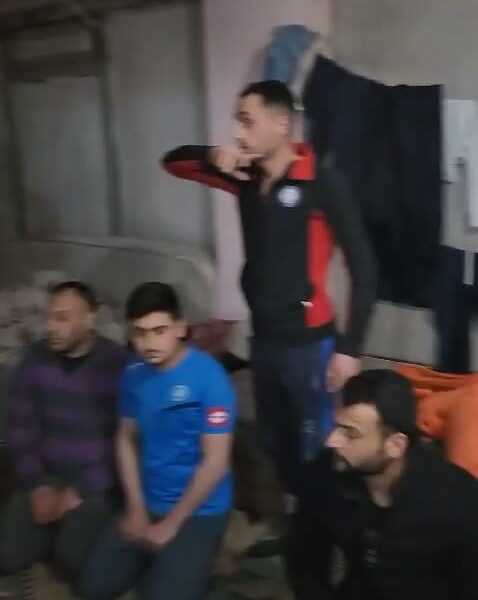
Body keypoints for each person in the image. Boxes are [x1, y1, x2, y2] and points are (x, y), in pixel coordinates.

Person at [163, 79, 376, 494]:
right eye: (236, 122)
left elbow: (364, 270)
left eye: (247, 121)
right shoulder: (244, 175)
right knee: (276, 444)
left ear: (282, 124)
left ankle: (326, 524)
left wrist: (350, 350)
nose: (238, 132)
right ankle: (292, 517)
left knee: (320, 448)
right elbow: (174, 163)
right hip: (264, 340)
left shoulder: (322, 182)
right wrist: (214, 155)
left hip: (309, 344)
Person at [77, 282, 235, 600]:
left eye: (159, 331)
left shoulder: (210, 378)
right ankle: (164, 560)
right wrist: (135, 507)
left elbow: (216, 463)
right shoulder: (133, 373)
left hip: (198, 509)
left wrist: (172, 524)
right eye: (140, 333)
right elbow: (126, 438)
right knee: (92, 586)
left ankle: (195, 558)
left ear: (179, 328)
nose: (149, 343)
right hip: (149, 499)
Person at [286, 369, 478, 600]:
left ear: (395, 445)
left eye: (351, 434)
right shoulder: (326, 474)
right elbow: (304, 562)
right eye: (336, 426)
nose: (332, 441)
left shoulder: (458, 502)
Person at [0, 281, 126, 579]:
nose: (51, 327)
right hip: (47, 477)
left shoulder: (118, 365)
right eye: (49, 317)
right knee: (6, 556)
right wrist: (37, 483)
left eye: (63, 318)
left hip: (96, 485)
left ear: (90, 319)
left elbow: (129, 444)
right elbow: (19, 427)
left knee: (71, 563)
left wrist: (82, 490)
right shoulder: (35, 359)